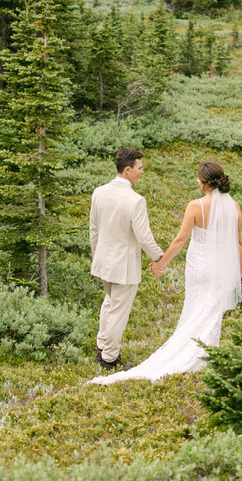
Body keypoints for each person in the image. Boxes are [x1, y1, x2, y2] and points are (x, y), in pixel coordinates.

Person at [91, 159, 242, 385]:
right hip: (222, 268)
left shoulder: (195, 206)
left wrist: (161, 262)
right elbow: (238, 243)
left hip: (199, 266)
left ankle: (189, 352)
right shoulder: (235, 206)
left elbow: (180, 240)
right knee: (212, 309)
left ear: (203, 183)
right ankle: (207, 353)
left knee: (195, 307)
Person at [88, 146, 165, 372]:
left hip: (103, 262)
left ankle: (102, 348)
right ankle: (109, 359)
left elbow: (94, 230)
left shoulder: (99, 192)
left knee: (109, 303)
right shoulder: (135, 200)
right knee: (118, 313)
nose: (142, 172)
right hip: (124, 266)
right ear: (128, 169)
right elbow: (144, 237)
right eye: (140, 168)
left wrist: (97, 255)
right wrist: (159, 258)